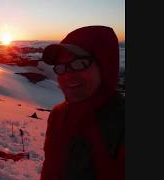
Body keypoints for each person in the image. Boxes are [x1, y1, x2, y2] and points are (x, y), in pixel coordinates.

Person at [40, 26, 124, 180]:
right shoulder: (58, 115)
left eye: (79, 63)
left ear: (105, 65)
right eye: (61, 66)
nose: (67, 75)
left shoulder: (122, 123)